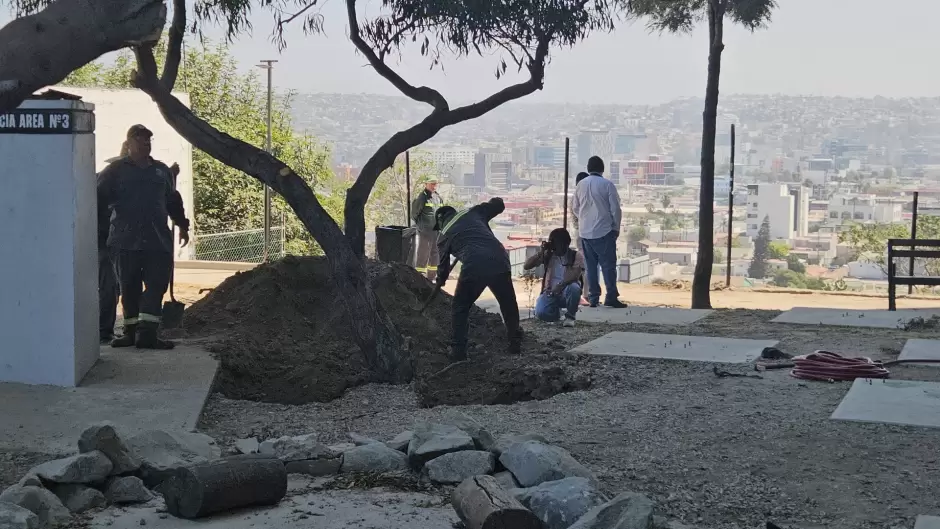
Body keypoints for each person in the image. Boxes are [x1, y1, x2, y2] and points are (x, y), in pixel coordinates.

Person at [97, 125, 191, 349]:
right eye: (139, 141)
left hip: (157, 241)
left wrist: (182, 225)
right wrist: (99, 232)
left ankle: (147, 334)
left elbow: (172, 201)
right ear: (128, 144)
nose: (144, 145)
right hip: (125, 241)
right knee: (129, 288)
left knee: (156, 286)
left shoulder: (160, 171)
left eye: (148, 141)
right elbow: (98, 200)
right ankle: (130, 332)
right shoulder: (115, 171)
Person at [434, 198, 521, 361]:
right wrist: (493, 204)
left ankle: (458, 352)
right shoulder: (474, 212)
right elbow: (499, 205)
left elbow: (443, 269)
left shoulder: (444, 235)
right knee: (508, 303)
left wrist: (440, 281)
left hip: (475, 265)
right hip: (499, 258)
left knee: (460, 307)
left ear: (440, 220)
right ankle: (515, 343)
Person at [571, 156, 627, 308]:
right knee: (608, 266)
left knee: (591, 267)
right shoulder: (607, 185)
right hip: (604, 231)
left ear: (588, 169)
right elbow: (615, 209)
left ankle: (593, 298)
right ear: (602, 169)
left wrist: (584, 219)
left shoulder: (580, 185)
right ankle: (611, 296)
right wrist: (615, 228)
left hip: (585, 233)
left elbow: (575, 208)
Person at [97, 142, 130, 343]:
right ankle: (103, 332)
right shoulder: (106, 181)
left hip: (118, 243)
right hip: (104, 242)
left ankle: (110, 329)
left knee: (116, 286)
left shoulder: (125, 183)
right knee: (109, 286)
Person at [524, 228, 585, 327]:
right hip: (550, 291)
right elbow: (527, 266)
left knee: (574, 288)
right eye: (554, 244)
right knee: (542, 314)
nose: (556, 247)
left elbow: (575, 275)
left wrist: (561, 285)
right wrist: (541, 253)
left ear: (566, 244)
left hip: (566, 291)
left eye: (558, 244)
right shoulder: (548, 255)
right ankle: (556, 313)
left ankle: (570, 317)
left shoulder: (575, 255)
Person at [411, 178, 443, 281]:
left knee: (435, 253)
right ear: (426, 184)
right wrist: (421, 225)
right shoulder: (422, 197)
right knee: (423, 253)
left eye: (435, 184)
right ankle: (420, 277)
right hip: (426, 231)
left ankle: (431, 277)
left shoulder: (438, 198)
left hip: (437, 231)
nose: (434, 186)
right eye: (431, 184)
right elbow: (414, 214)